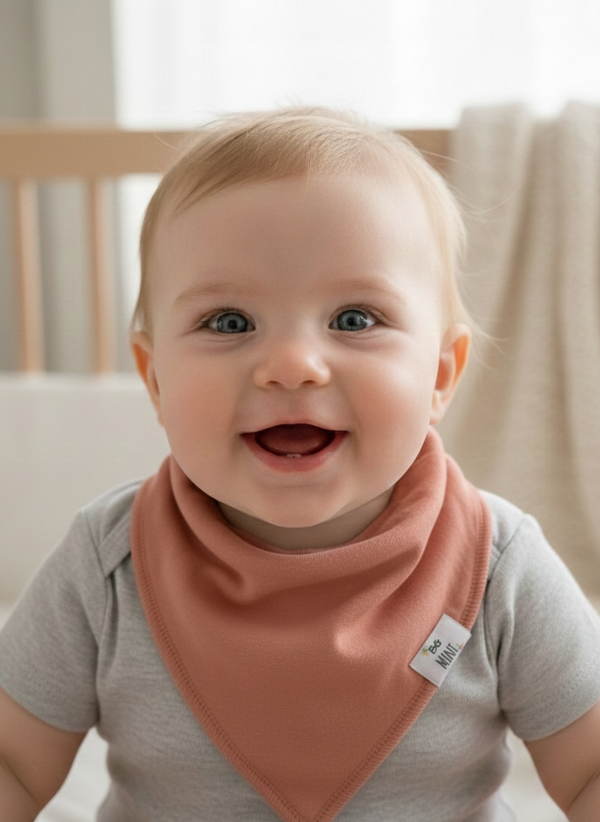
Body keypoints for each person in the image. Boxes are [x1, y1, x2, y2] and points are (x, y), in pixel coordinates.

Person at [1, 107, 600, 822]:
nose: (292, 365)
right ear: (156, 379)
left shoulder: (496, 567)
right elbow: (15, 765)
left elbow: (588, 771)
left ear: (440, 376)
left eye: (354, 319)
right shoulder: (108, 566)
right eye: (229, 322)